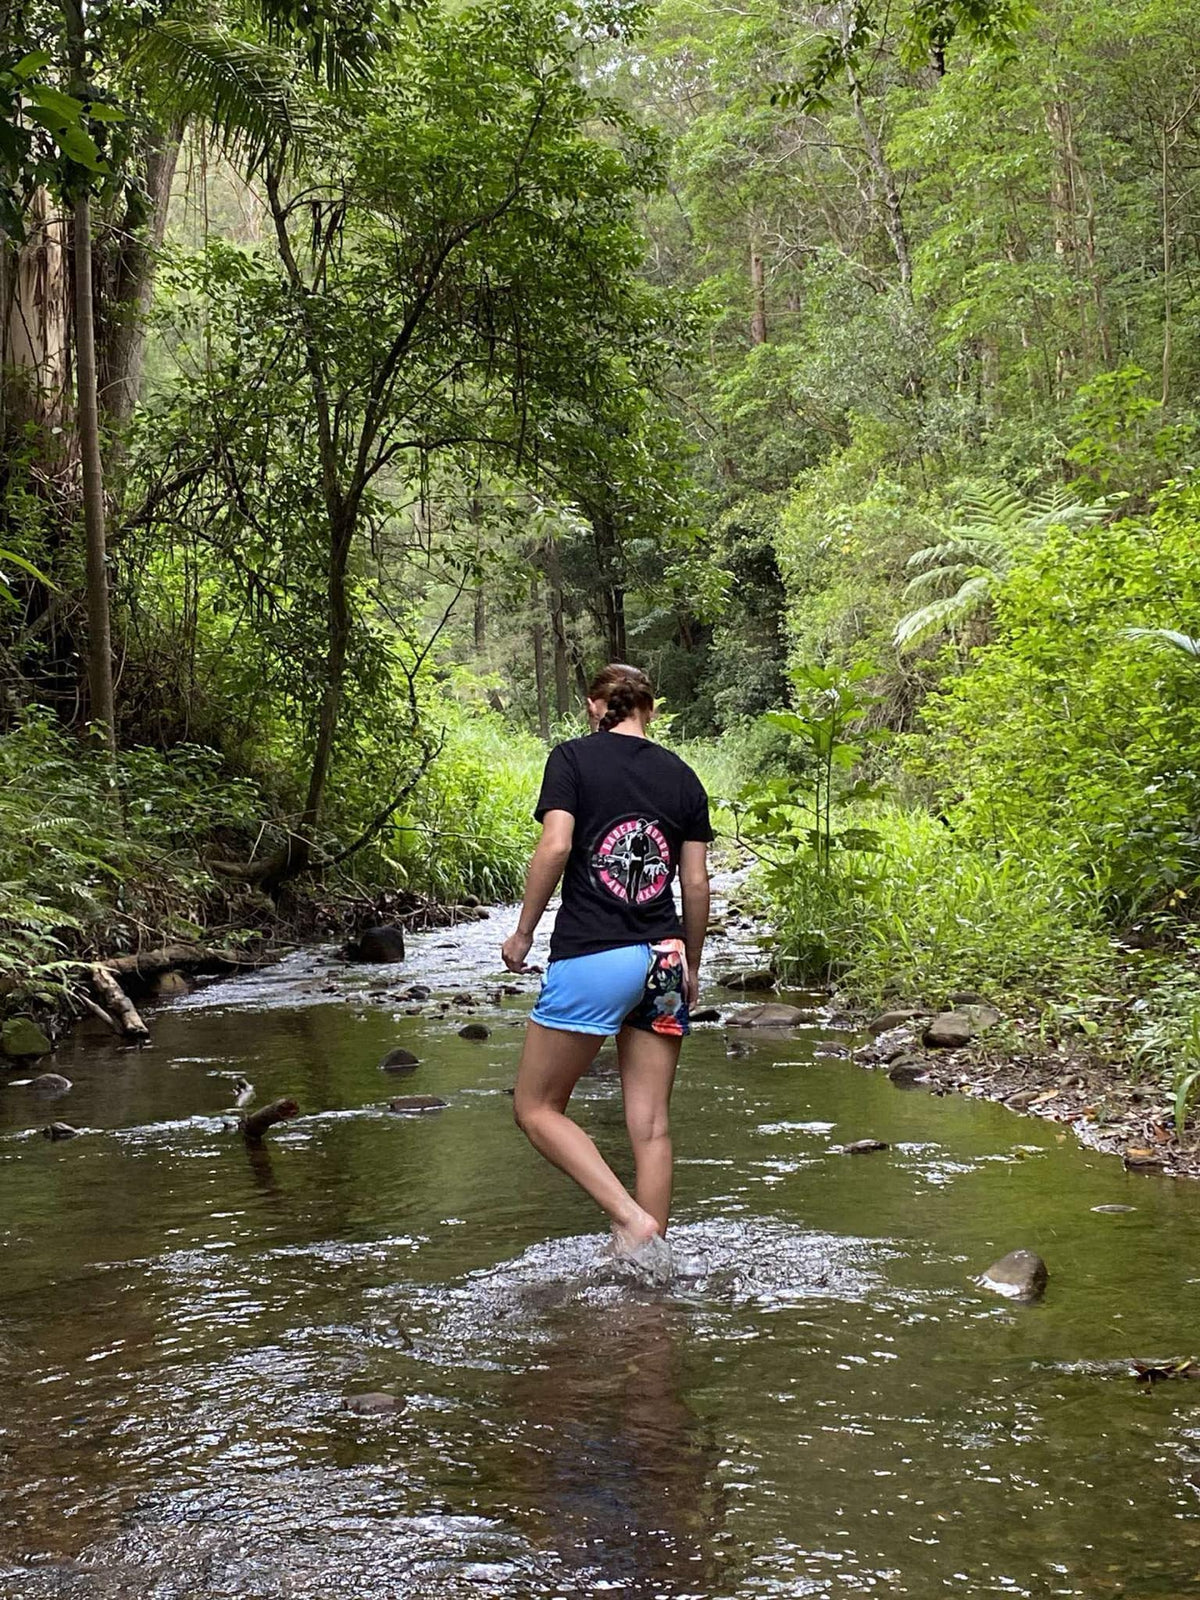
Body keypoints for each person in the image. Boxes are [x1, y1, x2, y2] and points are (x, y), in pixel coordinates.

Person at [501, 662, 713, 1259]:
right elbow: (695, 886)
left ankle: (629, 1220)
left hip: (596, 952)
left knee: (536, 1108)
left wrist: (523, 930)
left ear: (597, 706)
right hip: (665, 957)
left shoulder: (571, 759)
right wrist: (689, 962)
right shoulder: (683, 777)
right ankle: (649, 1266)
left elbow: (558, 843)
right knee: (650, 1126)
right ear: (650, 708)